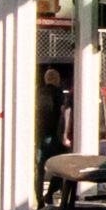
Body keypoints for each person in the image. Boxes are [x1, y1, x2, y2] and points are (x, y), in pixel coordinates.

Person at [36, 67, 69, 201]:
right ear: (57, 80)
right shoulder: (60, 94)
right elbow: (64, 115)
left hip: (40, 136)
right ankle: (50, 194)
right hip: (55, 137)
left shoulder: (37, 93)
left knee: (39, 171)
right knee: (60, 168)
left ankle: (39, 200)